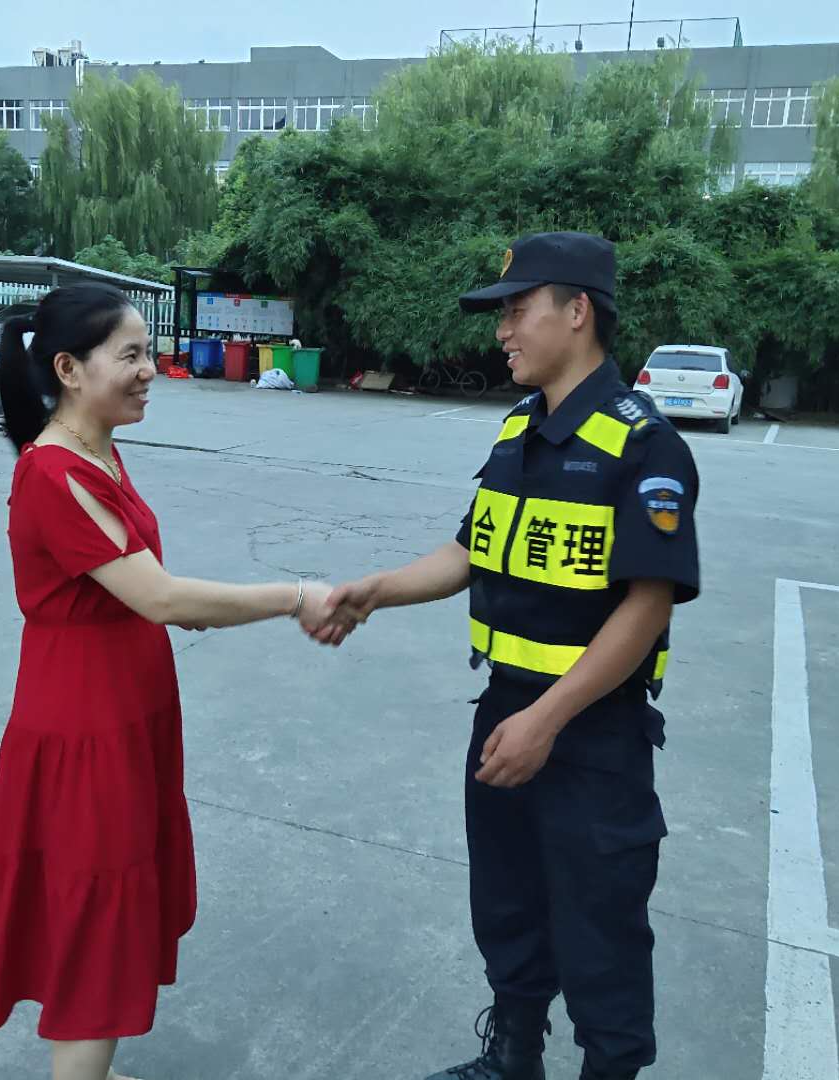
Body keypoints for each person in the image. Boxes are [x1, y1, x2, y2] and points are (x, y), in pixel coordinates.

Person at [319, 233, 700, 1080]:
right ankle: (514, 1059)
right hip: (505, 710)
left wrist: (548, 720)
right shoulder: (520, 428)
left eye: (518, 311)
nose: (502, 331)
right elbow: (470, 552)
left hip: (591, 732)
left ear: (578, 311)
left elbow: (647, 607)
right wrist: (377, 589)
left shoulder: (645, 447)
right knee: (509, 901)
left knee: (600, 929)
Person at [0, 283, 344, 1080]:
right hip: (86, 728)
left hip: (127, 711)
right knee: (95, 918)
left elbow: (133, 586)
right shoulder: (53, 473)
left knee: (107, 902)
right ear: (69, 369)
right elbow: (160, 597)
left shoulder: (99, 451)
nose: (150, 370)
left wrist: (178, 608)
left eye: (149, 351)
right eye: (131, 355)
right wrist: (294, 597)